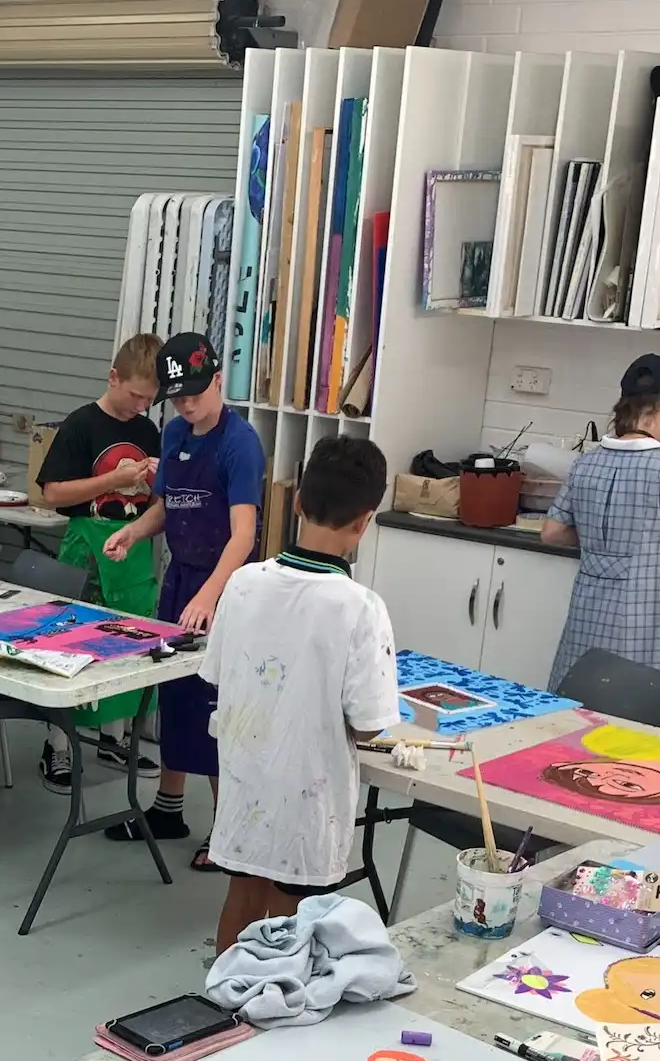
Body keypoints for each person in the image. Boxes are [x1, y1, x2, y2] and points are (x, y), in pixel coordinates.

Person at [200, 436, 399, 953]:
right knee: (292, 919)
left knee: (241, 897)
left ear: (296, 502)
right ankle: (273, 1017)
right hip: (310, 804)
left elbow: (219, 673)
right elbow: (371, 723)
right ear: (365, 521)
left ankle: (226, 1004)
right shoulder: (360, 606)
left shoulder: (242, 584)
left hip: (245, 785)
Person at [100, 332, 265, 869]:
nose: (188, 405)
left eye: (196, 393)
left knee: (216, 711)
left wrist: (210, 596)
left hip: (226, 588)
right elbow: (168, 508)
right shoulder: (174, 435)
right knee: (172, 694)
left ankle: (229, 834)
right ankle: (169, 807)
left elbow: (244, 535)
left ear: (218, 379)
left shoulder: (240, 444)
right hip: (180, 581)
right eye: (178, 397)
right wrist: (133, 533)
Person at [541, 353, 660, 688]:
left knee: (574, 694)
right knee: (626, 705)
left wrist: (602, 542)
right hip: (637, 615)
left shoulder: (586, 463)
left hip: (586, 609)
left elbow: (552, 533)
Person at [34, 333, 164, 792]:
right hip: (85, 548)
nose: (140, 408)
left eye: (150, 400)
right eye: (134, 396)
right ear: (113, 377)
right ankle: (58, 744)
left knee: (129, 644)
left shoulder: (147, 430)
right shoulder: (81, 425)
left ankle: (115, 737)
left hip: (132, 551)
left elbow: (157, 500)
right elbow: (52, 493)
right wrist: (113, 478)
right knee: (72, 644)